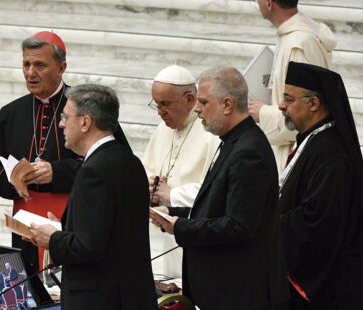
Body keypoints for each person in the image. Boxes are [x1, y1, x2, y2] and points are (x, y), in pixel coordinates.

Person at [0, 30, 129, 282]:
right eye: (26, 64)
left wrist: (56, 172)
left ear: (61, 68)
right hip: (25, 218)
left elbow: (115, 162)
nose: (30, 72)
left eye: (40, 65)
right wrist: (16, 182)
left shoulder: (87, 108)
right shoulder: (11, 112)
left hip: (72, 218)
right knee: (32, 287)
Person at [149, 66, 288, 309]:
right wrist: (173, 214)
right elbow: (217, 206)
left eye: (203, 101)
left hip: (239, 292)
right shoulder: (233, 141)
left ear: (227, 104)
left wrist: (180, 227)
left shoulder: (248, 152)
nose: (197, 108)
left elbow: (238, 226)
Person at [28, 84, 156, 309]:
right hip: (131, 295)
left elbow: (88, 248)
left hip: (99, 299)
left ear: (85, 122)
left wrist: (52, 239)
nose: (61, 124)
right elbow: (110, 232)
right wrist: (63, 229)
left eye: (66, 117)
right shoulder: (130, 161)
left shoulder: (94, 171)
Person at [276, 62, 363, 309]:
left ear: (313, 104)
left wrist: (264, 224)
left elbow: (317, 222)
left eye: (288, 99)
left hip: (325, 290)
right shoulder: (313, 140)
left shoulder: (332, 155)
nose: (282, 106)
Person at [142, 65, 220, 278]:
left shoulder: (211, 133)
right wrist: (149, 189)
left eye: (165, 104)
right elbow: (147, 173)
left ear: (189, 99)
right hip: (167, 233)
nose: (160, 113)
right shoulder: (161, 130)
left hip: (198, 233)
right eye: (156, 105)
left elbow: (216, 192)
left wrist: (171, 194)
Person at [249, 0, 337, 173]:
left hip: (299, 153)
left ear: (269, 3)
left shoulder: (298, 44)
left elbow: (303, 113)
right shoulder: (293, 37)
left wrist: (262, 113)